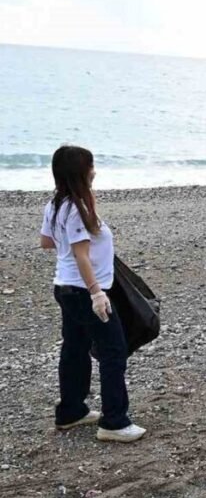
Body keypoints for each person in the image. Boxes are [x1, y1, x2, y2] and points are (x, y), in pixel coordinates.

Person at [39, 145, 146, 442]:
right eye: (91, 165)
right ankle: (114, 422)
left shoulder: (56, 204)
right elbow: (81, 255)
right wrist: (97, 293)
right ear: (81, 172)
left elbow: (46, 241)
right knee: (113, 351)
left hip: (65, 287)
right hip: (84, 291)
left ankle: (71, 411)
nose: (94, 170)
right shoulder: (75, 208)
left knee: (74, 348)